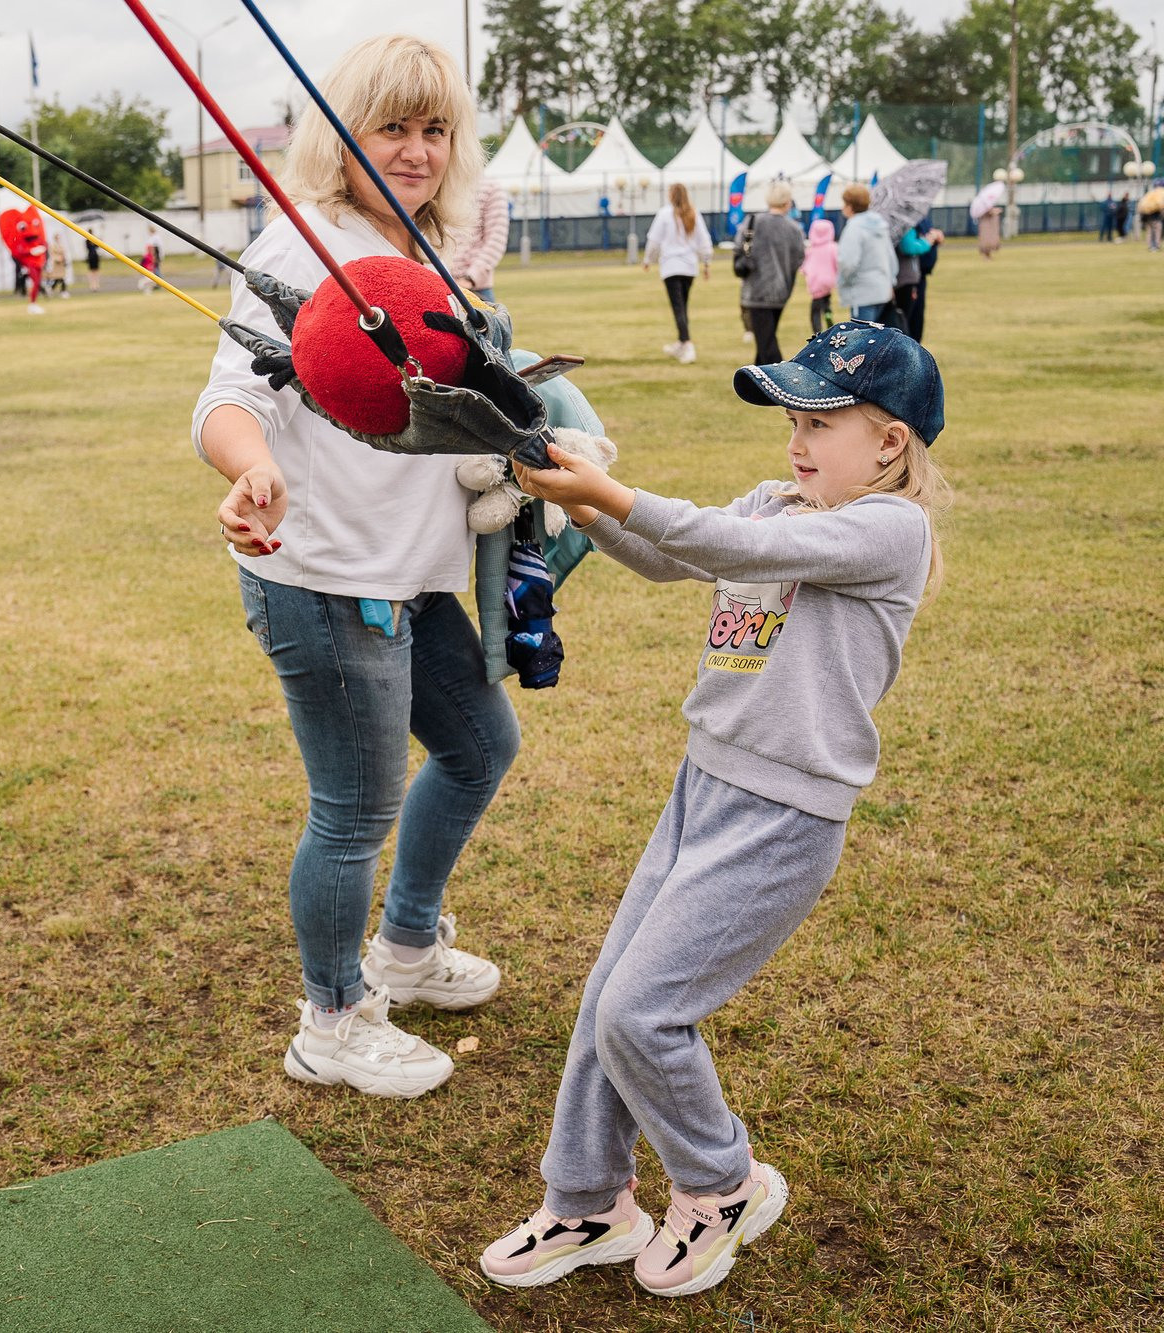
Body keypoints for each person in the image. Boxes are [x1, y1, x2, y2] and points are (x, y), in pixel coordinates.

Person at [484, 321, 950, 1298]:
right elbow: (673, 555)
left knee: (642, 1011)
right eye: (790, 418)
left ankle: (720, 1185)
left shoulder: (886, 529)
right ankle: (586, 1199)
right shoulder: (781, 500)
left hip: (782, 817)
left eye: (818, 422)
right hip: (702, 788)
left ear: (888, 441)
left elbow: (726, 540)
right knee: (603, 1005)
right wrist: (563, 486)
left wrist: (606, 490)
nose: (794, 439)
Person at [193, 33, 510, 1100]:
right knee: (353, 808)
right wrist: (249, 474)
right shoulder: (300, 248)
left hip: (413, 575)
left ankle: (406, 950)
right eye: (391, 127)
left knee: (477, 747)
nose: (415, 151)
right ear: (342, 137)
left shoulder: (429, 249)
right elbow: (227, 399)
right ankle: (330, 1016)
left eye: (433, 130)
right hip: (323, 577)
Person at [736, 181, 805, 366]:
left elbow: (738, 248)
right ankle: (757, 386)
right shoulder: (794, 229)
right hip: (781, 291)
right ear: (787, 202)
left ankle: (782, 382)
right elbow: (799, 259)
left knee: (766, 344)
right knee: (765, 340)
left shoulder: (752, 223)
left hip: (755, 291)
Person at [644, 182, 712, 364]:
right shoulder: (693, 213)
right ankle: (682, 341)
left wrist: (647, 260)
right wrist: (706, 261)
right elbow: (704, 240)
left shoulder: (665, 214)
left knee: (678, 307)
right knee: (683, 305)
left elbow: (654, 241)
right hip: (689, 268)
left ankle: (688, 344)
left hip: (671, 267)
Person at [835, 183, 895, 324]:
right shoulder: (880, 225)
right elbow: (890, 258)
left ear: (849, 206)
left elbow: (848, 262)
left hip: (862, 292)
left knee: (863, 341)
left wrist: (845, 281)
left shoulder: (854, 228)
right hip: (882, 290)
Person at [445, 175, 510, 304]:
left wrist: (470, 279)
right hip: (438, 286)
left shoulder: (490, 187)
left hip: (474, 289)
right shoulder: (438, 184)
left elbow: (496, 241)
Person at [891, 217, 942, 345]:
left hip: (914, 277)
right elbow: (908, 246)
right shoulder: (903, 221)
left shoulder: (914, 218)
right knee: (906, 322)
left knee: (913, 321)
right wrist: (928, 241)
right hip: (906, 279)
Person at [801, 218, 838, 335]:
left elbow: (804, 265)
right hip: (828, 280)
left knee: (815, 309)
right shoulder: (833, 247)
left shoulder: (811, 249)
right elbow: (837, 262)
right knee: (826, 301)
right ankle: (828, 319)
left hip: (815, 281)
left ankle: (817, 331)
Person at [1139, 182, 1164, 251]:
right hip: (1155, 215)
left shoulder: (1150, 193)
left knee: (1149, 231)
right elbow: (1161, 204)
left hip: (1147, 215)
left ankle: (1150, 246)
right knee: (1157, 230)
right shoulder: (1161, 192)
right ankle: (1156, 246)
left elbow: (1141, 204)